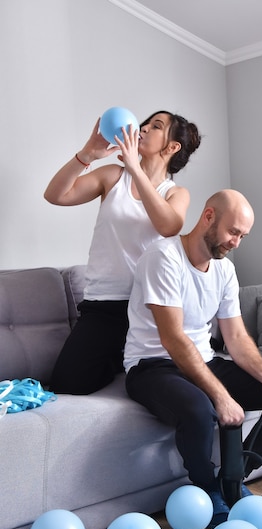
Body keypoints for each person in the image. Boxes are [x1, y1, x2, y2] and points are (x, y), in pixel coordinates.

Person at [123, 189, 262, 528]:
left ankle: (233, 478)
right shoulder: (163, 257)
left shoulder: (224, 270)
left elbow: (236, 337)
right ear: (208, 216)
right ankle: (209, 490)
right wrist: (221, 396)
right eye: (233, 231)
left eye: (242, 236)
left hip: (202, 359)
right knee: (200, 410)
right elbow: (173, 339)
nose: (236, 242)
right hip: (153, 366)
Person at [44, 110, 201, 394]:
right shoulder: (113, 176)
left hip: (151, 307)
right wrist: (87, 155)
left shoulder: (175, 193)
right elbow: (55, 195)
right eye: (144, 123)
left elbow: (168, 226)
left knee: (175, 378)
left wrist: (137, 169)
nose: (142, 128)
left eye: (155, 126)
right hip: (104, 303)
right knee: (67, 384)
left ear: (172, 146)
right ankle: (119, 363)